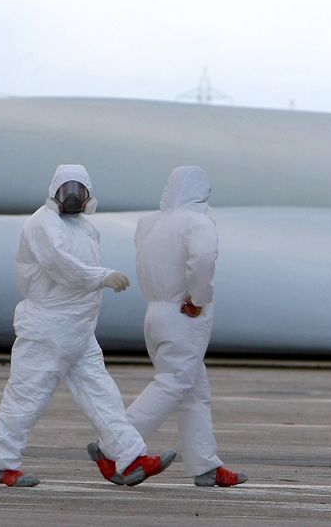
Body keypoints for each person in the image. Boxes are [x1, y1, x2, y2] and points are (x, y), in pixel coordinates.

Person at [0, 164, 176, 488]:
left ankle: (127, 457)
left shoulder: (86, 228)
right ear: (54, 191)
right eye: (67, 189)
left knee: (103, 395)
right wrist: (102, 277)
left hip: (80, 330)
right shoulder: (42, 224)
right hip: (47, 329)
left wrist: (97, 281)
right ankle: (1, 463)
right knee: (26, 397)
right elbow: (60, 265)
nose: (73, 196)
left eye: (79, 189)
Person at [91, 166, 247, 488]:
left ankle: (205, 464)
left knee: (193, 389)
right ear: (202, 192)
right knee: (174, 382)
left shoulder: (150, 224)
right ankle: (113, 447)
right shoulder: (197, 221)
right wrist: (199, 298)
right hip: (183, 313)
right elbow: (203, 260)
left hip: (156, 311)